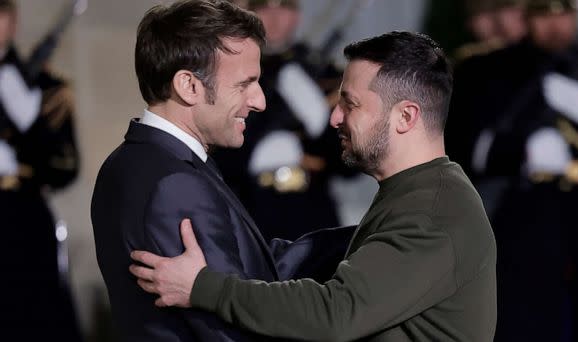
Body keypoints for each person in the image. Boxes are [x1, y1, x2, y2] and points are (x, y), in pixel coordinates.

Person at [129, 31, 498, 341]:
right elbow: (323, 259)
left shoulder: (433, 211)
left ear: (406, 116)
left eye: (349, 104)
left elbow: (335, 312)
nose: (334, 117)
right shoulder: (417, 194)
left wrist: (203, 288)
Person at [90, 1, 353, 341]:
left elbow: (251, 267)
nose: (259, 101)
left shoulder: (146, 160)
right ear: (189, 86)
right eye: (245, 84)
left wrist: (375, 231)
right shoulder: (175, 183)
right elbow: (230, 327)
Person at [447, 0, 578, 340]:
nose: (555, 25)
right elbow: (464, 147)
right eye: (543, 14)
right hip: (523, 215)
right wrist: (521, 151)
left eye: (564, 13)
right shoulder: (486, 68)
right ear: (527, 16)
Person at [215, 0, 353, 241]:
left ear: (297, 15)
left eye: (285, 6)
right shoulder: (228, 70)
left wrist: (322, 126)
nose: (275, 17)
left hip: (313, 216)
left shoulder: (323, 73)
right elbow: (214, 154)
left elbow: (350, 166)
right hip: (248, 213)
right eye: (264, 6)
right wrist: (254, 148)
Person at [0, 0, 82, 340]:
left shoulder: (46, 88)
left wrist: (31, 124)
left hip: (20, 222)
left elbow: (66, 167)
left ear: (12, 21)